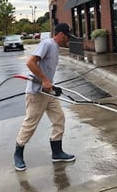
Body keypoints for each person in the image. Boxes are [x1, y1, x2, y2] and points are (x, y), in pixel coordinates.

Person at [14, 23, 75, 171]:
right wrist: (44, 80)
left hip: (48, 93)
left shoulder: (56, 48)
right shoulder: (47, 43)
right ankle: (18, 154)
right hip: (36, 93)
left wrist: (52, 85)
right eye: (67, 37)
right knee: (30, 125)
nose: (68, 40)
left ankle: (57, 152)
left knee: (59, 119)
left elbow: (46, 70)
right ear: (61, 34)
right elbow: (30, 63)